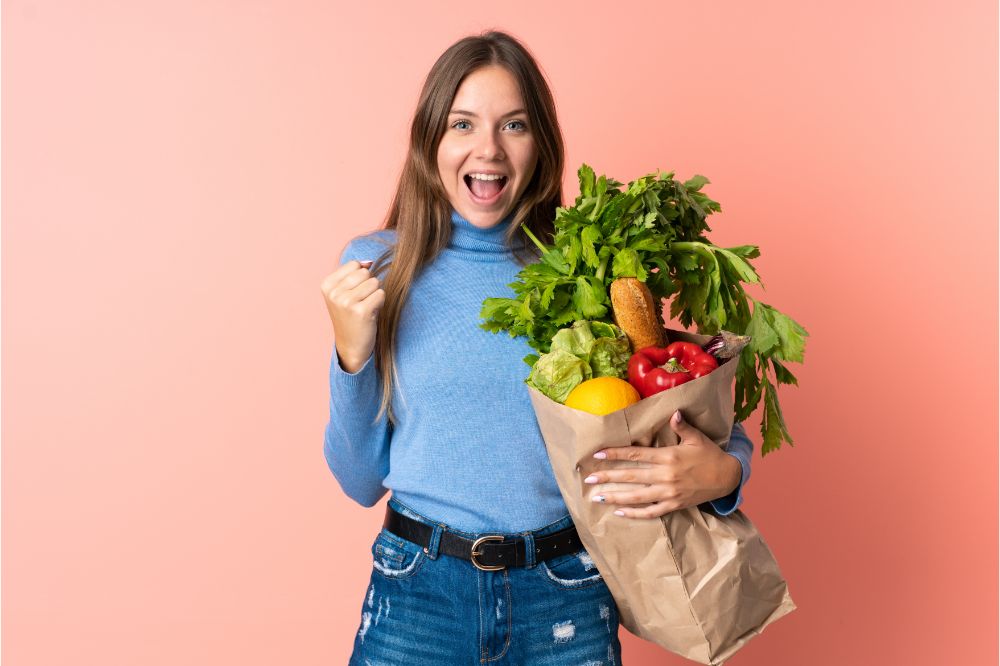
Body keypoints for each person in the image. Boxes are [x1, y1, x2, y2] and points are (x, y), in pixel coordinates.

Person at [319, 30, 754, 665]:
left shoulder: (587, 271)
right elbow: (358, 481)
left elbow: (692, 410)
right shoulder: (377, 270)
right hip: (418, 595)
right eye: (462, 123)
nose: (487, 149)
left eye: (514, 125)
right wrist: (351, 357)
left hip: (566, 592)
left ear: (541, 144)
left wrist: (726, 473)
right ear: (430, 140)